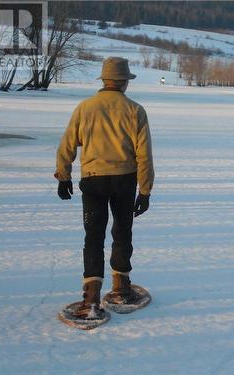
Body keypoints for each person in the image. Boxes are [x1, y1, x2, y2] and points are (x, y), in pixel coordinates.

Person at [55, 57, 154, 319]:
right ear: (124, 82)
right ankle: (121, 288)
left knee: (93, 237)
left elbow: (67, 144)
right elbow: (144, 155)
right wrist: (145, 190)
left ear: (105, 80)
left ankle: (91, 300)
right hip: (124, 181)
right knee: (122, 232)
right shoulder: (135, 110)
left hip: (93, 180)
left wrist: (63, 176)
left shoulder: (85, 108)